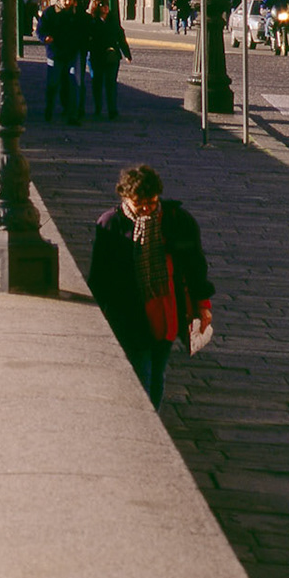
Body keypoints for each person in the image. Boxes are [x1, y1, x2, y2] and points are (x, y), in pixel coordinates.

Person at [87, 164, 214, 408]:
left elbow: (195, 267)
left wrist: (203, 305)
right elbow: (99, 277)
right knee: (141, 373)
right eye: (139, 203)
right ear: (125, 197)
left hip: (167, 313)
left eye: (152, 202)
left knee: (157, 373)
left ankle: (152, 418)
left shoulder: (178, 221)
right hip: (129, 315)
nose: (146, 208)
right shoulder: (111, 224)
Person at [86, 0, 131, 119]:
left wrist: (127, 54)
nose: (106, 7)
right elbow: (87, 39)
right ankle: (98, 108)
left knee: (111, 83)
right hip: (96, 56)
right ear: (97, 7)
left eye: (107, 5)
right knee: (97, 82)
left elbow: (121, 37)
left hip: (111, 56)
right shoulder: (92, 21)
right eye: (102, 5)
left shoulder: (113, 21)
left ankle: (112, 109)